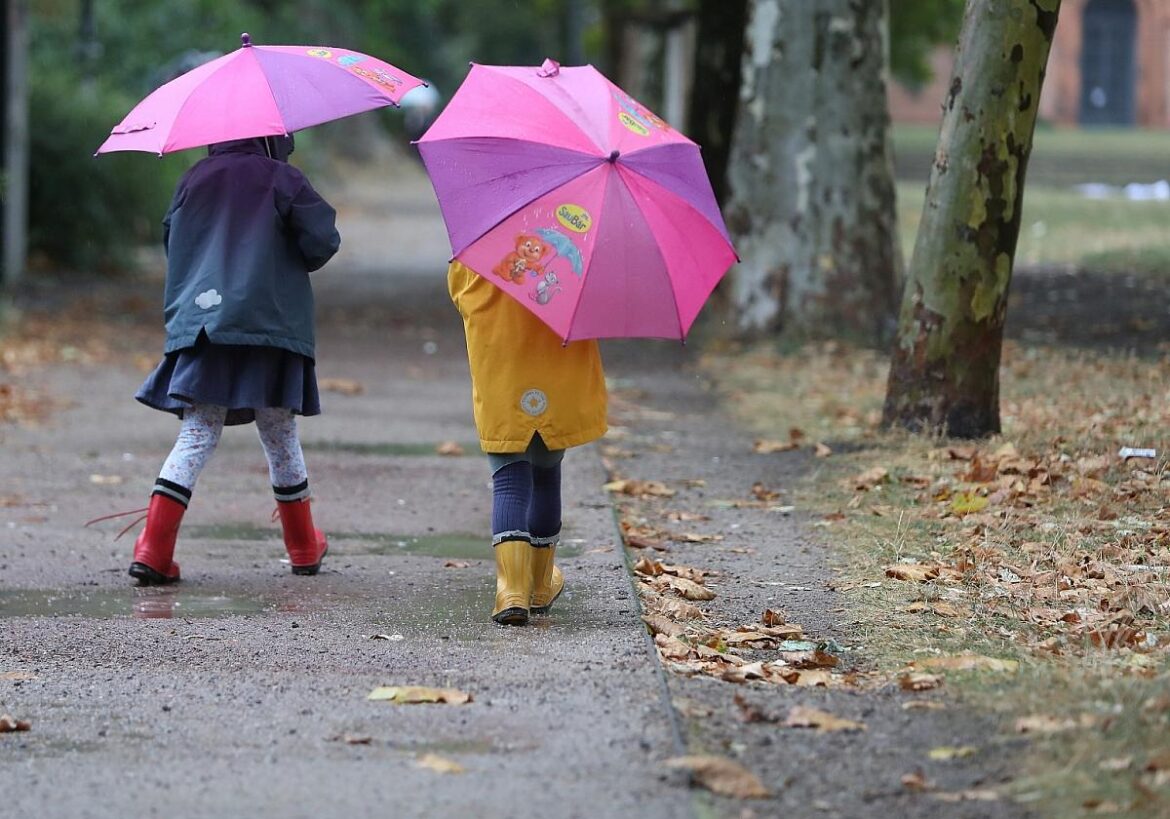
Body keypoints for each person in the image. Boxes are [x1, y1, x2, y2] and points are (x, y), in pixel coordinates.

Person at [125, 134, 340, 585]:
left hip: (205, 323)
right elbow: (322, 242)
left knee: (198, 433)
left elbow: (174, 243)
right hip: (272, 324)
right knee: (279, 433)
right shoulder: (283, 179)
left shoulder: (192, 180)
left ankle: (153, 547)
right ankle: (302, 545)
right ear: (271, 137)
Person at [447, 260, 608, 626]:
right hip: (559, 371)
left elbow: (460, 293)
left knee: (509, 479)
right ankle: (539, 585)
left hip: (502, 375)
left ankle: (511, 591)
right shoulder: (577, 254)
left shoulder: (478, 252)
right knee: (547, 473)